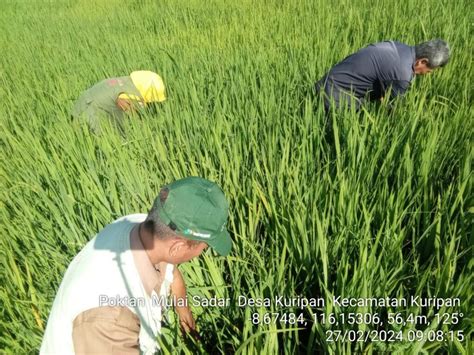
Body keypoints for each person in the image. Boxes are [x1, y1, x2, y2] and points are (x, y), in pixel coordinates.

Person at [40, 176, 232, 354]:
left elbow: (172, 275)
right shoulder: (109, 319)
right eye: (204, 247)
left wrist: (186, 323)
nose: (201, 253)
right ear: (177, 248)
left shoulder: (147, 227)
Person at [314, 39, 450, 111]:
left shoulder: (400, 47)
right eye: (430, 70)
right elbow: (392, 109)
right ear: (422, 61)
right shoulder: (402, 73)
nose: (428, 74)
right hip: (334, 97)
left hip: (327, 82)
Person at [71, 70, 166, 133]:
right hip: (90, 119)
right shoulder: (129, 96)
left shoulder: (126, 81)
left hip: (80, 105)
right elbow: (134, 122)